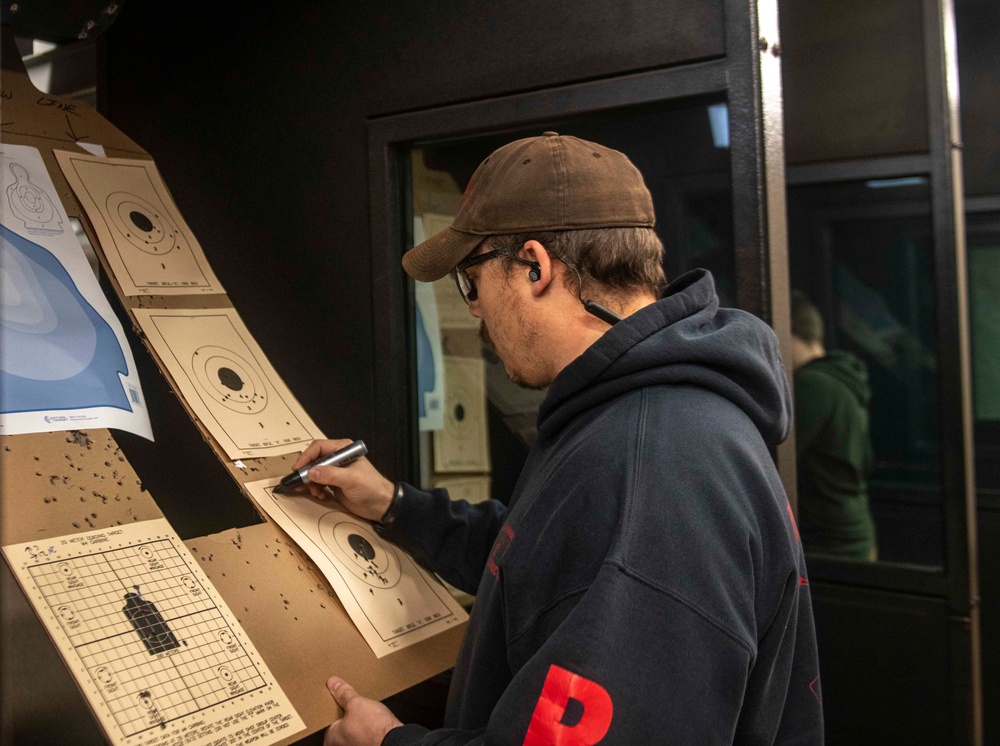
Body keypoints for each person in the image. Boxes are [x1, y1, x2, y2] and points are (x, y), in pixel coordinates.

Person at [296, 132, 823, 745]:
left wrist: (388, 744)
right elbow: (550, 561)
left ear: (535, 266)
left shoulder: (653, 460)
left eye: (472, 281)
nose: (474, 310)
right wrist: (394, 504)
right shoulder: (641, 415)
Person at [790, 291, 878, 562]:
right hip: (853, 535)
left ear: (784, 333)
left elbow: (770, 456)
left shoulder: (812, 385)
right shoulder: (839, 377)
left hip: (829, 545)